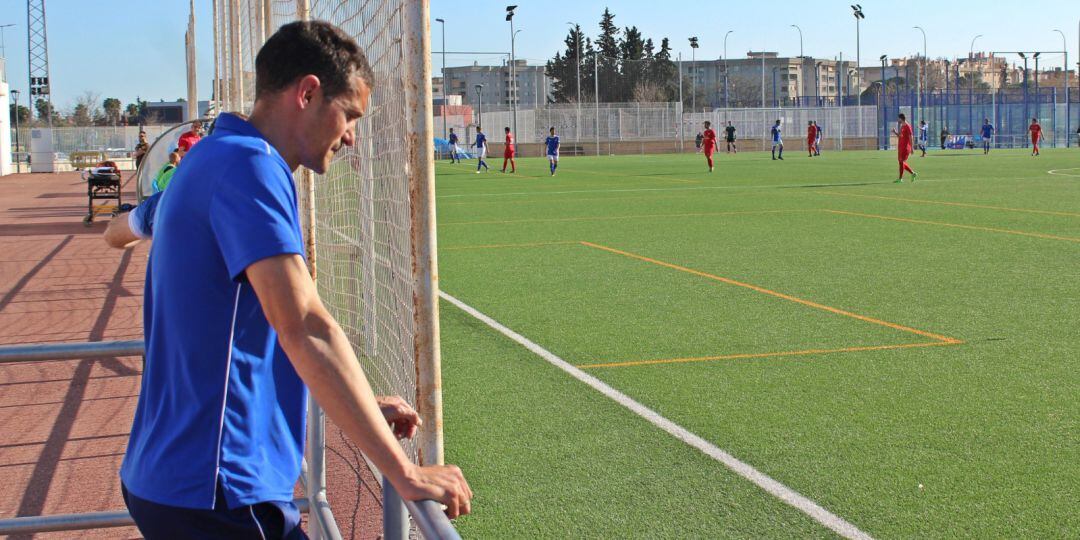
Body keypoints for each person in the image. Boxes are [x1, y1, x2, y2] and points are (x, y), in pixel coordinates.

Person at [119, 21, 472, 539]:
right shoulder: (250, 167)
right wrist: (405, 472)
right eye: (349, 114)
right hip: (217, 488)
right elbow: (305, 323)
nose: (352, 135)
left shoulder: (213, 158)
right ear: (307, 92)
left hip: (177, 475)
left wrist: (360, 405)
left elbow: (230, 341)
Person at [892, 113, 917, 183]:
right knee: (901, 162)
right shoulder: (902, 126)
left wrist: (912, 148)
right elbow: (900, 136)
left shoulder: (908, 126)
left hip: (906, 148)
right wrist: (895, 132)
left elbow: (911, 137)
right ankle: (913, 173)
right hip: (900, 147)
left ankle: (900, 179)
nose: (897, 120)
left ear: (901, 118)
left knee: (901, 162)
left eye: (898, 118)